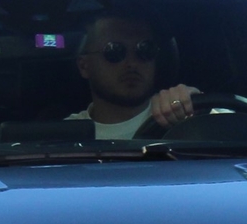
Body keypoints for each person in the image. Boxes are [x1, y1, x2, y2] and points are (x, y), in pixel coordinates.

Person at [69, 13, 204, 139]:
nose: (132, 63)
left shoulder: (182, 115)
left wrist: (199, 109)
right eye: (114, 51)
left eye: (145, 50)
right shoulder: (65, 135)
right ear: (84, 66)